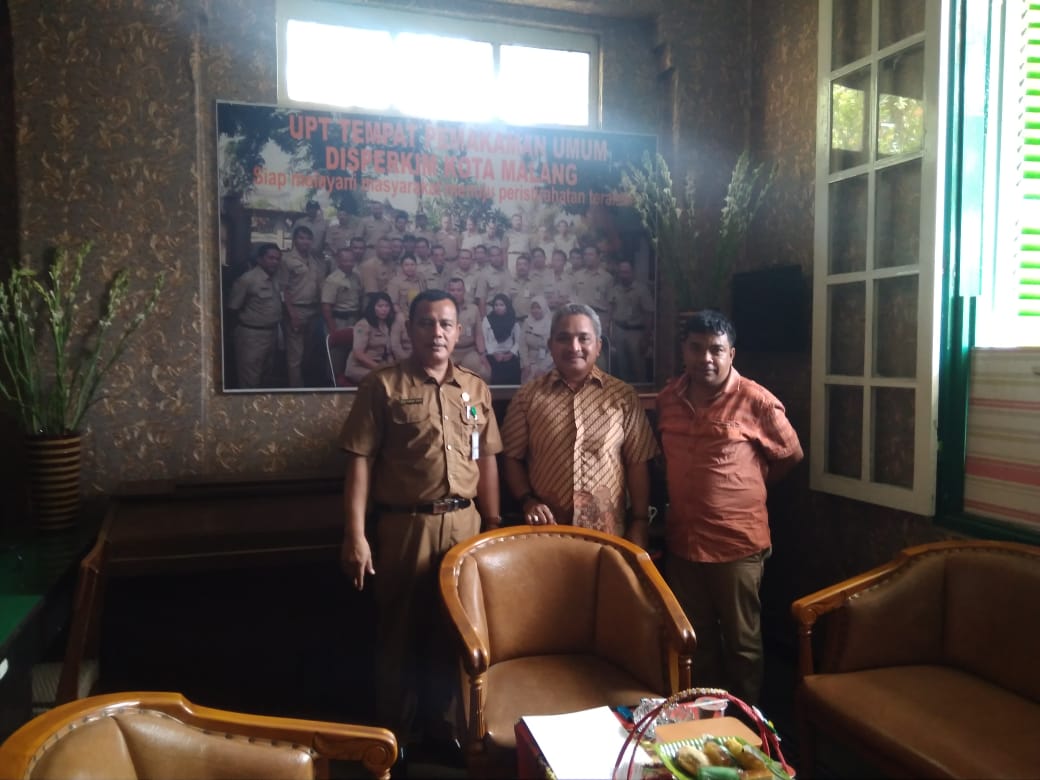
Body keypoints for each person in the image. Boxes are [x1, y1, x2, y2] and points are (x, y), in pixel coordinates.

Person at [339, 289, 502, 753]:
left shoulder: (475, 388)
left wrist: (493, 525)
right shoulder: (383, 386)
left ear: (459, 331)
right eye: (427, 323)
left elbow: (487, 457)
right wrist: (355, 535)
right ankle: (396, 739)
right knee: (400, 634)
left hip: (465, 525)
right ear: (410, 329)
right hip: (406, 527)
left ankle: (446, 730)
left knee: (457, 632)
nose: (437, 332)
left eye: (446, 324)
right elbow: (360, 460)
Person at [656, 310, 803, 705]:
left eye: (716, 350)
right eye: (696, 348)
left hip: (736, 544)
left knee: (742, 643)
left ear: (731, 353)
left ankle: (747, 722)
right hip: (684, 542)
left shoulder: (757, 401)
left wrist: (749, 488)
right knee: (696, 639)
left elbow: (791, 456)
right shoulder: (668, 399)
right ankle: (707, 720)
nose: (705, 358)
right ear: (684, 351)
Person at [501, 303, 658, 542]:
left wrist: (640, 521)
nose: (574, 347)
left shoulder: (623, 396)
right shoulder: (527, 397)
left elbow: (638, 461)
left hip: (607, 534)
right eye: (563, 338)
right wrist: (527, 500)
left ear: (598, 346)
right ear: (551, 345)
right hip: (547, 534)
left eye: (583, 338)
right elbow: (511, 457)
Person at [227, 243, 282, 389]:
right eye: (271, 258)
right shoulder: (247, 280)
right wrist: (234, 334)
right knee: (250, 380)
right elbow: (232, 309)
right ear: (260, 259)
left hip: (271, 334)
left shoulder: (275, 278)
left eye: (277, 259)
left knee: (265, 377)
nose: (275, 262)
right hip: (251, 336)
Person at [277, 225, 324, 388]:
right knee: (295, 355)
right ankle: (296, 390)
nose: (305, 242)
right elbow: (283, 290)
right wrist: (292, 314)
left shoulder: (314, 260)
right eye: (301, 238)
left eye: (308, 238)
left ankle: (306, 385)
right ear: (295, 240)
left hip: (313, 311)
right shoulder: (286, 260)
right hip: (296, 310)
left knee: (308, 353)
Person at [609, 260, 654, 383]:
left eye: (626, 272)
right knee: (622, 367)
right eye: (621, 272)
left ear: (632, 272)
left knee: (638, 367)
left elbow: (648, 315)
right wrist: (611, 333)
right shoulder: (615, 289)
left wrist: (646, 338)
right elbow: (611, 312)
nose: (623, 275)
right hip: (619, 331)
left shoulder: (642, 290)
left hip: (636, 333)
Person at [344, 291, 395, 384]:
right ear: (372, 307)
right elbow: (358, 354)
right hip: (359, 367)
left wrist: (392, 368)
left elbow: (388, 353)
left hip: (378, 364)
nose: (384, 309)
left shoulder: (388, 324)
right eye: (380, 306)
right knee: (385, 381)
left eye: (387, 306)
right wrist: (380, 368)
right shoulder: (363, 324)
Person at [447, 277, 490, 380]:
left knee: (484, 373)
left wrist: (482, 354)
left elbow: (478, 334)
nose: (455, 293)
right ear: (448, 291)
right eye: (452, 290)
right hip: (449, 352)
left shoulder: (473, 309)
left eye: (459, 290)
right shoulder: (441, 309)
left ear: (464, 291)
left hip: (469, 351)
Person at [481, 293, 521, 385]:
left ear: (507, 306)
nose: (498, 307)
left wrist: (511, 354)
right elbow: (485, 340)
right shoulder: (487, 320)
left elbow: (518, 341)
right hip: (492, 355)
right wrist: (494, 353)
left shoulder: (513, 320)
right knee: (495, 375)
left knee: (513, 372)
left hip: (509, 355)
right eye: (496, 305)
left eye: (501, 305)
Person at [520, 295, 552, 382]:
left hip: (547, 364)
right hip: (529, 364)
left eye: (538, 307)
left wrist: (542, 368)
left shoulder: (551, 325)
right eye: (533, 308)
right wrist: (526, 364)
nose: (535, 310)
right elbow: (522, 345)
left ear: (544, 308)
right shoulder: (527, 323)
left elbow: (553, 350)